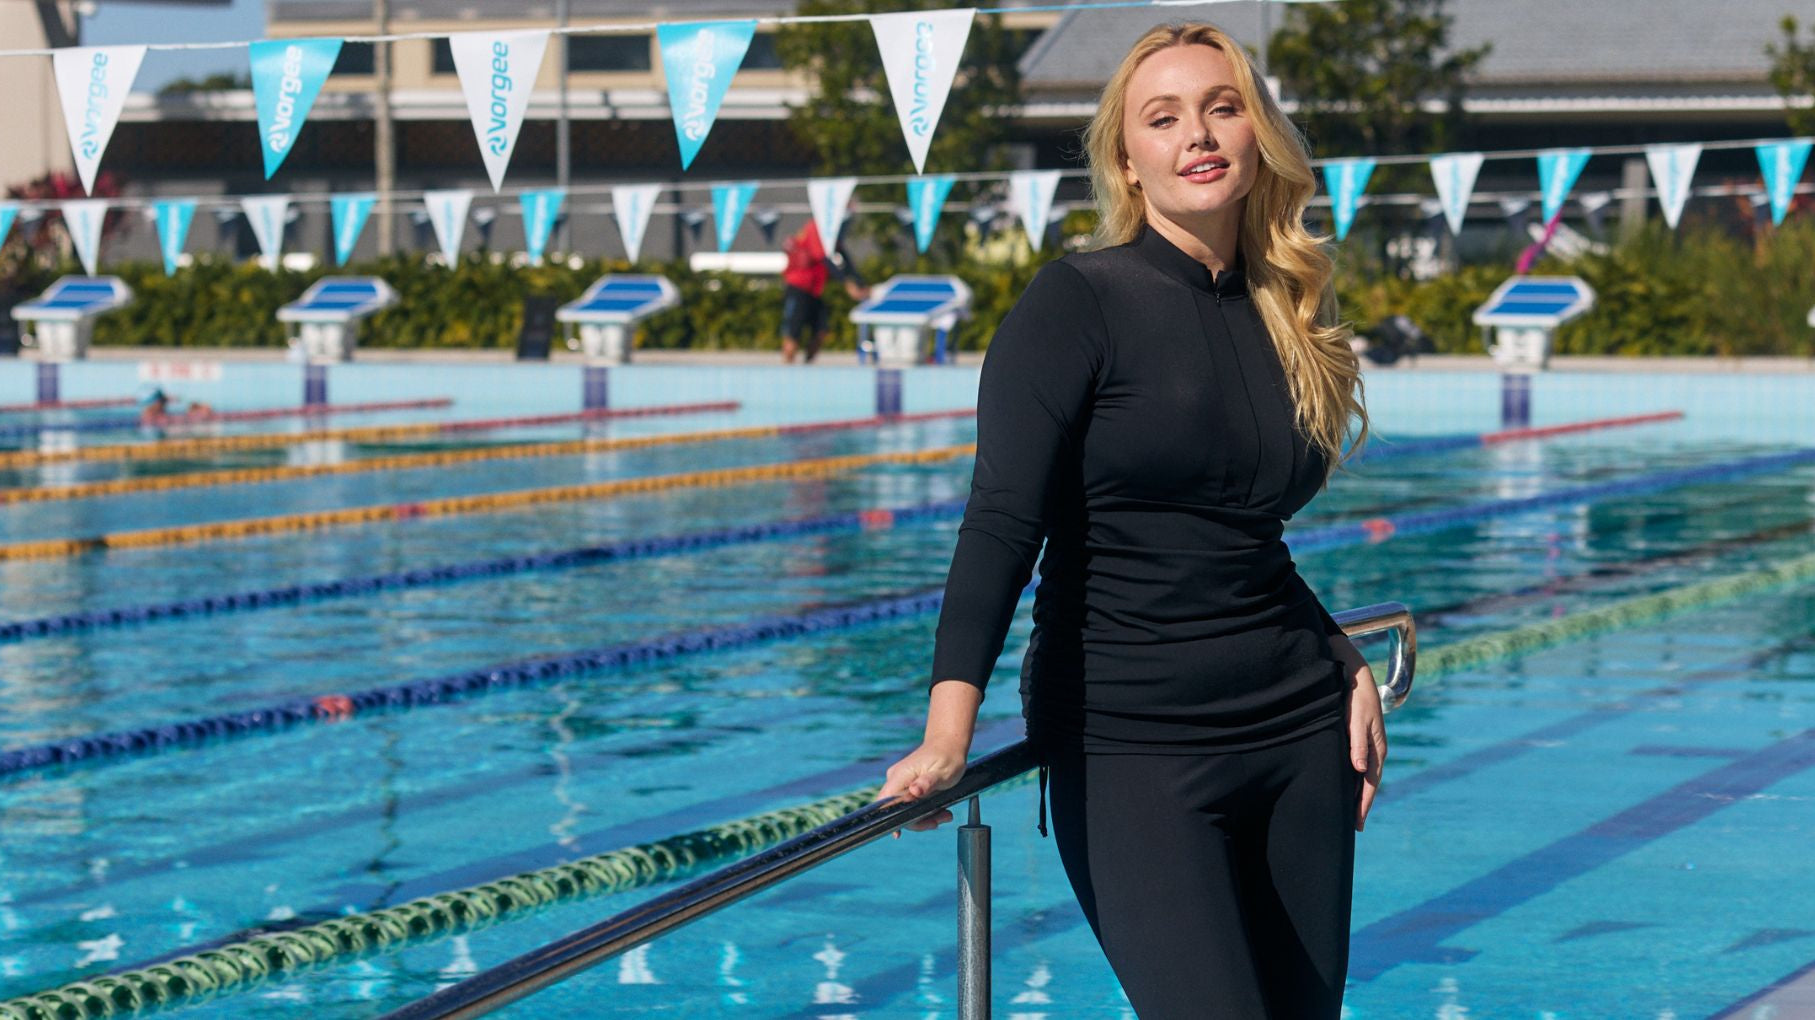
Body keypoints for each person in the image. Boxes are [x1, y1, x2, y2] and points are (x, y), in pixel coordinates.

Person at [875, 22, 1381, 1020]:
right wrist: (947, 732)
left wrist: (1336, 652)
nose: (1198, 132)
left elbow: (1235, 534)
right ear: (1128, 159)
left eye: (1221, 106)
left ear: (1256, 134)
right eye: (1165, 116)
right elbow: (1004, 522)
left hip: (1294, 730)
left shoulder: (1288, 312)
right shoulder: (1077, 303)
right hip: (1132, 743)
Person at [779, 217, 869, 363]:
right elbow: (824, 259)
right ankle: (787, 372)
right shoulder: (815, 227)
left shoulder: (830, 230)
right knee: (793, 335)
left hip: (815, 291)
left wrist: (859, 282)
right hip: (798, 287)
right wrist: (847, 284)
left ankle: (808, 367)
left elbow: (844, 257)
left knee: (821, 331)